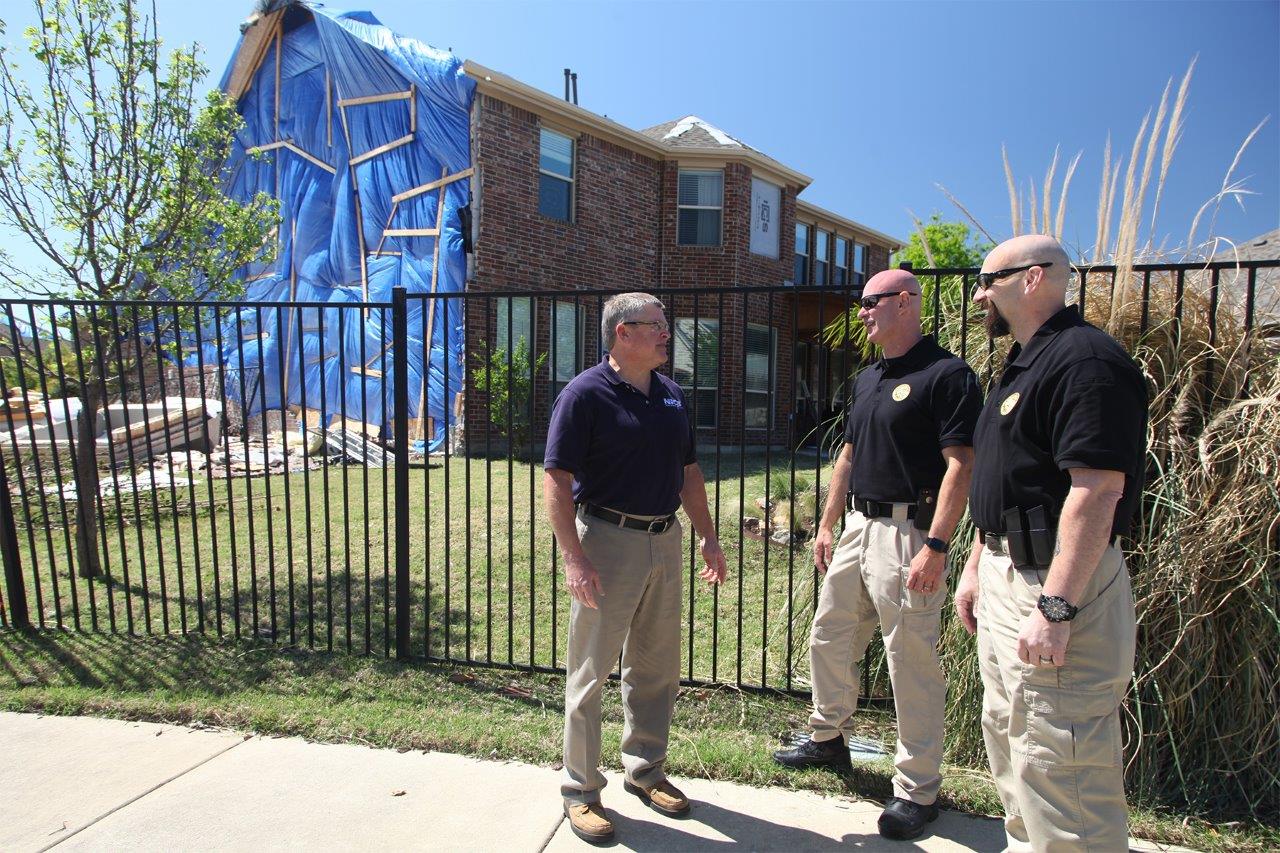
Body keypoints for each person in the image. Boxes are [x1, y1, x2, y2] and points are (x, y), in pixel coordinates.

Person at [773, 269, 982, 841]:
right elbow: (847, 453)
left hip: (908, 533)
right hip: (857, 529)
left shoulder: (948, 375)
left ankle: (918, 789)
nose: (861, 311)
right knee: (829, 635)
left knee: (910, 657)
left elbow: (962, 466)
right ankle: (828, 740)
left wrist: (936, 546)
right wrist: (828, 524)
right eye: (861, 302)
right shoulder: (868, 378)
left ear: (908, 303)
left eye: (872, 302)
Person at [955, 235, 1146, 852]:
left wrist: (1056, 607)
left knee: (1061, 762)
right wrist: (977, 565)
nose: (979, 293)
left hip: (1057, 588)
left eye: (988, 279)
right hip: (1010, 577)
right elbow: (1007, 482)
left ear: (1033, 278)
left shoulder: (1085, 361)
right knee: (1013, 740)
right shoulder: (1026, 362)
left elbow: (1096, 492)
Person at [543, 292, 728, 845]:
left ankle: (645, 770)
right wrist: (574, 558)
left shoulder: (671, 395)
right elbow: (555, 479)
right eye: (657, 326)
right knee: (590, 671)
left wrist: (708, 537)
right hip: (606, 539)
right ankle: (580, 791)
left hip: (663, 539)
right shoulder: (585, 394)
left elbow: (689, 471)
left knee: (655, 668)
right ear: (623, 333)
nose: (667, 335)